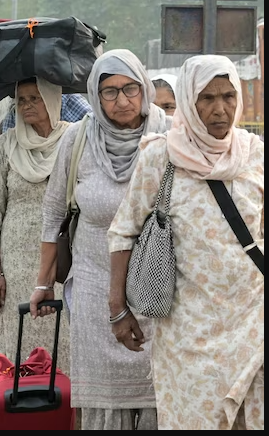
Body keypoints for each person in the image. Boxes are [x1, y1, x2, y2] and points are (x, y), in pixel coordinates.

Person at [108, 55, 264, 430]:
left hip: (254, 326)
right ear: (189, 102)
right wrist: (118, 308)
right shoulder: (161, 156)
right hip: (188, 335)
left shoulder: (254, 153)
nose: (220, 109)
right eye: (207, 98)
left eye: (228, 96)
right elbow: (123, 231)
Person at [30, 49, 171, 430]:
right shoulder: (77, 139)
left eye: (130, 89)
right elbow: (54, 213)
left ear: (144, 88)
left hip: (160, 291)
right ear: (95, 94)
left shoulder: (170, 136)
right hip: (94, 290)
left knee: (161, 399)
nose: (122, 100)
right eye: (110, 91)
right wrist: (43, 283)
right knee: (102, 406)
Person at [0, 77, 72, 368]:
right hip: (15, 265)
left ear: (52, 100)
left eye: (35, 98)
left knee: (64, 341)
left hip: (62, 261)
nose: (26, 106)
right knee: (17, 347)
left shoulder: (73, 140)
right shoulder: (6, 145)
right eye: (21, 100)